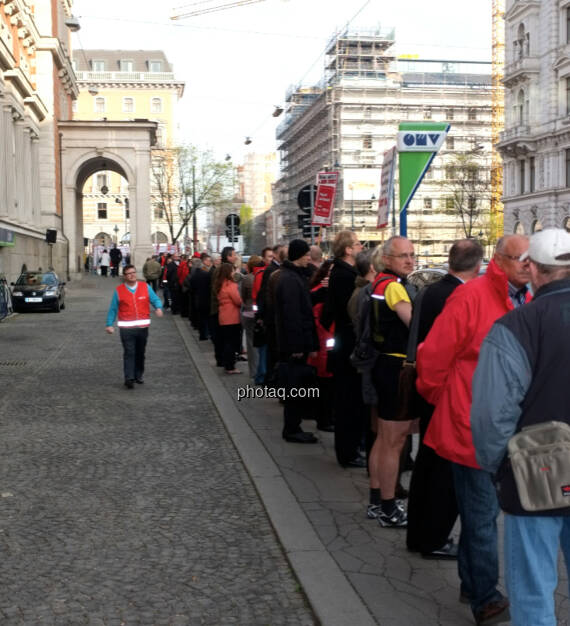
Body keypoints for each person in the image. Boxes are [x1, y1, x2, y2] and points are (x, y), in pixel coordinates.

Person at [416, 234, 531, 625]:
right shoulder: (471, 296)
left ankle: (472, 582)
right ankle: (485, 597)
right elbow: (432, 359)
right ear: (499, 260)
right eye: (522, 259)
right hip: (473, 424)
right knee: (481, 516)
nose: (529, 265)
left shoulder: (528, 297)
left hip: (509, 428)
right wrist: (450, 402)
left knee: (478, 513)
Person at [470, 228, 570, 626]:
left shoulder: (515, 326)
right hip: (537, 468)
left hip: (536, 469)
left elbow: (491, 414)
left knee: (532, 590)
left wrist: (499, 467)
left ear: (533, 268)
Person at [406, 239, 483, 560]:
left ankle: (419, 533)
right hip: (445, 394)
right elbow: (443, 351)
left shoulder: (431, 289)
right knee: (442, 476)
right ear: (478, 265)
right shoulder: (459, 296)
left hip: (430, 389)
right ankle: (433, 538)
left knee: (426, 469)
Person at [367, 236, 416, 528]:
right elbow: (414, 324)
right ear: (387, 259)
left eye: (412, 255)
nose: (409, 260)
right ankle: (388, 507)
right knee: (394, 442)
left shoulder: (379, 284)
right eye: (403, 256)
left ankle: (376, 501)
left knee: (382, 439)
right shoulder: (395, 288)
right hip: (396, 367)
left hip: (382, 363)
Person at [322, 230, 366, 468]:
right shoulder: (344, 275)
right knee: (348, 401)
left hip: (345, 342)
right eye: (358, 244)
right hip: (347, 344)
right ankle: (348, 452)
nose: (361, 247)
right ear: (348, 249)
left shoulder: (341, 271)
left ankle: (350, 448)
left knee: (350, 400)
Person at [275, 239, 319, 443]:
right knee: (294, 387)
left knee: (296, 386)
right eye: (306, 255)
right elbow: (292, 315)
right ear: (298, 256)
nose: (309, 258)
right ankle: (292, 428)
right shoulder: (290, 280)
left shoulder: (293, 276)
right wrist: (297, 346)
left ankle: (294, 426)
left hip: (296, 343)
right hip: (294, 345)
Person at [105, 264, 163, 388]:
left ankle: (138, 375)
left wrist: (158, 308)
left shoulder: (145, 287)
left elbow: (155, 299)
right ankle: (129, 378)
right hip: (126, 329)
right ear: (124, 276)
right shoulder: (119, 290)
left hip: (142, 328)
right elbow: (113, 309)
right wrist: (109, 324)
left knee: (140, 353)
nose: (132, 275)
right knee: (129, 352)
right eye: (129, 273)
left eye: (134, 272)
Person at [307, 259, 335, 432]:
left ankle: (325, 417)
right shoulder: (319, 292)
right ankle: (324, 419)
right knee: (324, 384)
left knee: (327, 384)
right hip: (323, 342)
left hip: (327, 341)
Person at [214, 262, 242, 374]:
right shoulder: (230, 285)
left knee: (226, 341)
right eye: (232, 270)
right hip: (232, 317)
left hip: (223, 316)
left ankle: (227, 364)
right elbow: (238, 301)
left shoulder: (220, 284)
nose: (234, 272)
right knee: (231, 342)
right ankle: (230, 366)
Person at [241, 255, 263, 379]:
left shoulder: (247, 278)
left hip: (248, 311)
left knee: (250, 343)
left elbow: (243, 296)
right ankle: (261, 369)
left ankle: (253, 371)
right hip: (259, 312)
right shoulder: (262, 276)